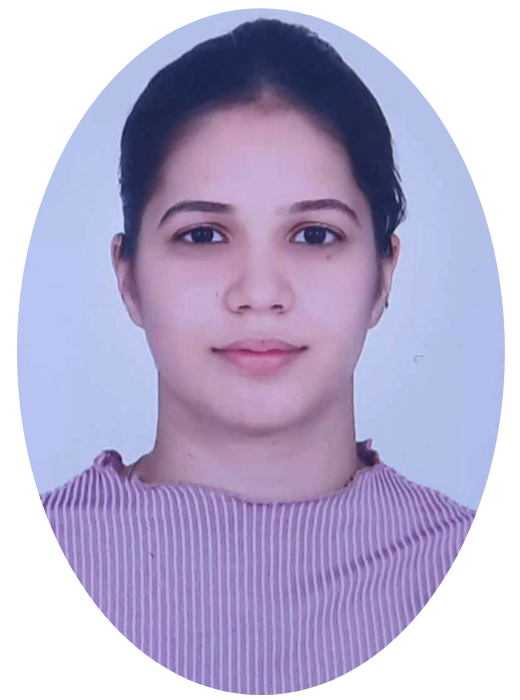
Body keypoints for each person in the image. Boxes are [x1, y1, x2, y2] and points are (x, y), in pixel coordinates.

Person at [41, 18, 475, 694]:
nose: (260, 293)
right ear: (128, 278)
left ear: (383, 276)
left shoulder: (475, 570)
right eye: (204, 235)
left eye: (314, 234)